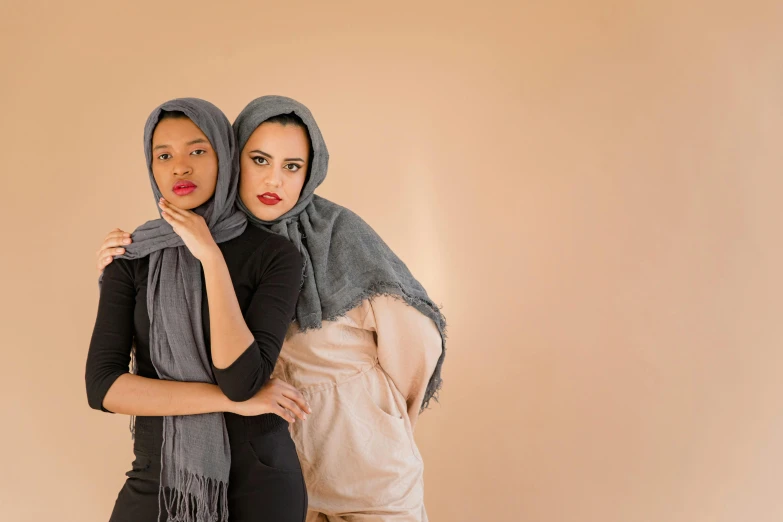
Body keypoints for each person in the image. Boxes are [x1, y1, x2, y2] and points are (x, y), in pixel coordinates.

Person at [97, 95, 447, 522]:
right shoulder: (196, 247)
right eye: (259, 160)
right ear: (233, 160)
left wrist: (387, 415)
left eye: (292, 166)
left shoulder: (338, 234)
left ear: (310, 171)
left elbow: (414, 341)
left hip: (364, 452)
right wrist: (126, 262)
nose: (273, 182)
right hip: (280, 451)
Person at [86, 98, 309, 522]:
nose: (180, 168)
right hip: (160, 474)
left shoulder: (274, 255)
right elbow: (104, 387)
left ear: (225, 156)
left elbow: (242, 379)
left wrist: (209, 254)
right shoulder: (131, 256)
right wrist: (229, 403)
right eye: (164, 155)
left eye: (197, 150)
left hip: (260, 483)